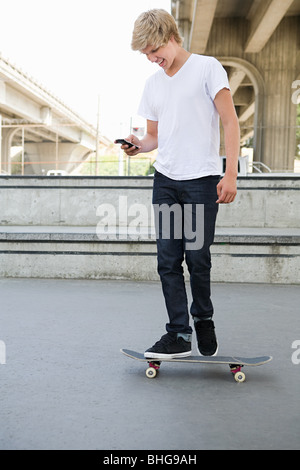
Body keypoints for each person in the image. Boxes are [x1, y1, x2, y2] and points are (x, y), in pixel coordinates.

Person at [117, 9, 240, 359]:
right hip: (166, 181)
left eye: (154, 50)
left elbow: (230, 123)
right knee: (168, 261)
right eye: (145, 54)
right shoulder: (153, 84)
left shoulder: (207, 68)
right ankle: (179, 333)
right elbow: (154, 136)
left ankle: (203, 317)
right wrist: (137, 145)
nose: (152, 58)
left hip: (202, 181)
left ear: (172, 37)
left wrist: (230, 172)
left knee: (197, 257)